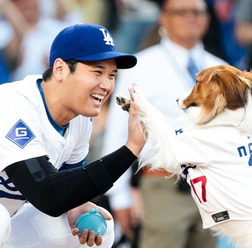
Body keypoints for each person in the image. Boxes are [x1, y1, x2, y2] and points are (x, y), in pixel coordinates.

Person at [0, 23, 146, 248]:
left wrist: (76, 204)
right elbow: (47, 193)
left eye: (112, 75)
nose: (106, 85)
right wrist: (130, 149)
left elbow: (68, 186)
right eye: (97, 72)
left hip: (10, 220)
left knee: (98, 227)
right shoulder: (14, 104)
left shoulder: (79, 120)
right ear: (60, 69)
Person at [101, 0, 228, 247]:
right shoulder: (141, 66)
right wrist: (119, 197)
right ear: (164, 18)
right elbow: (118, 134)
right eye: (181, 12)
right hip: (163, 185)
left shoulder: (221, 70)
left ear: (207, 18)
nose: (191, 18)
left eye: (198, 12)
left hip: (212, 188)